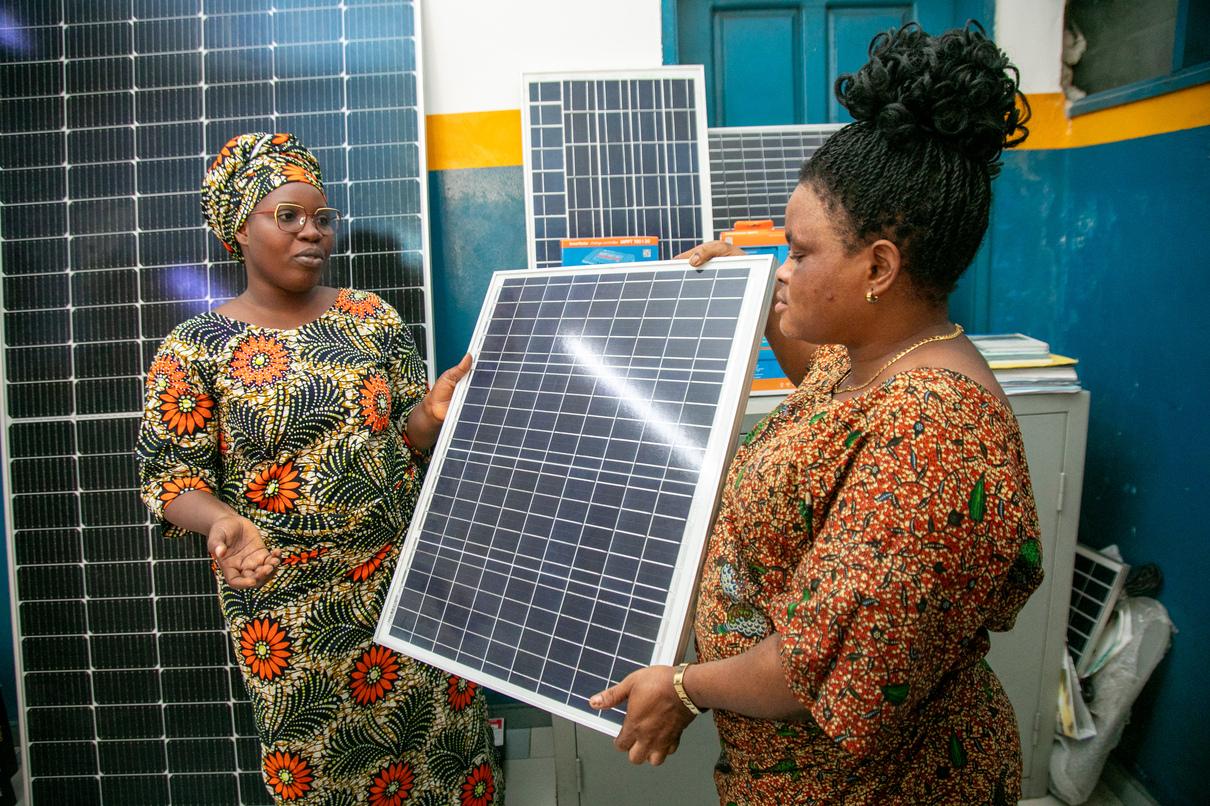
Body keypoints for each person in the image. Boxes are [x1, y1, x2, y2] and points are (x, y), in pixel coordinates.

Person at [589, 23, 1042, 805]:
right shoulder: (877, 357)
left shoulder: (936, 435)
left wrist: (687, 687)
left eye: (799, 253)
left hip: (880, 787)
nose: (782, 268)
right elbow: (827, 410)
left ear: (878, 267)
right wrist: (761, 309)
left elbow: (817, 661)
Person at [136, 132, 502, 805]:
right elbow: (171, 477)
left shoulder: (373, 321)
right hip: (291, 618)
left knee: (448, 768)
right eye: (289, 216)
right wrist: (220, 522)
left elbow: (405, 442)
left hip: (411, 592)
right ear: (239, 230)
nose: (313, 232)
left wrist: (429, 416)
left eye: (322, 218)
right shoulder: (193, 351)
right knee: (326, 778)